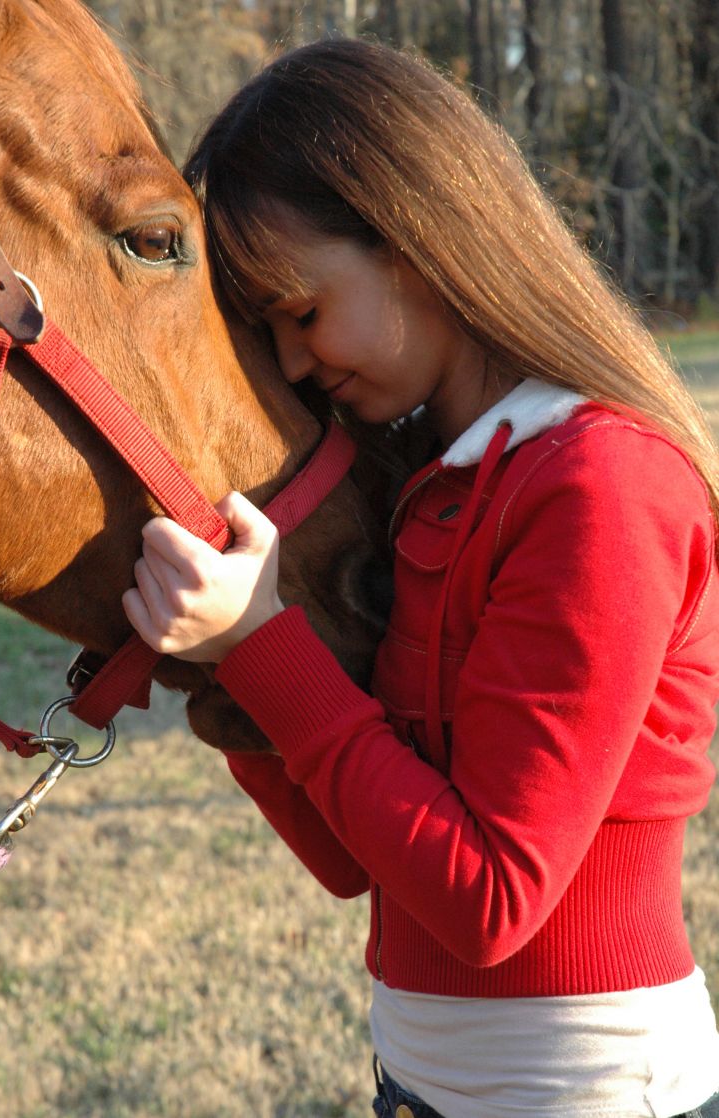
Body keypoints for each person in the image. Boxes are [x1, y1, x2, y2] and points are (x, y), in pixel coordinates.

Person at [122, 38, 719, 1118]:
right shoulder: (426, 484)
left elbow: (490, 896)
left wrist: (263, 644)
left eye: (301, 311)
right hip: (421, 1083)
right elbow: (359, 863)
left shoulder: (599, 483)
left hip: (585, 1094)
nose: (297, 364)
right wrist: (221, 669)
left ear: (413, 236)